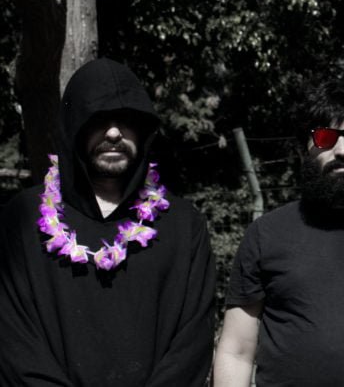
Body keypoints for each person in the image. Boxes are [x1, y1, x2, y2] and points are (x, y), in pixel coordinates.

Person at [0, 58, 216, 386]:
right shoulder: (21, 221)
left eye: (126, 120)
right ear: (74, 127)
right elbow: (13, 342)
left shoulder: (184, 226)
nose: (114, 133)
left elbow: (192, 343)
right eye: (98, 119)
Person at [213, 82, 344, 387]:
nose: (342, 151)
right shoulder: (267, 234)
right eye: (325, 138)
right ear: (302, 148)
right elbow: (236, 351)